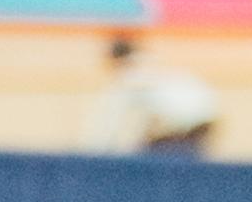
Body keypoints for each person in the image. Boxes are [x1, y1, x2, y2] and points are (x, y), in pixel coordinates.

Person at [82, 30, 222, 156]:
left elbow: (109, 123)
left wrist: (94, 155)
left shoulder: (130, 77)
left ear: (115, 60)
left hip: (188, 127)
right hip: (207, 121)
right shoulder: (154, 65)